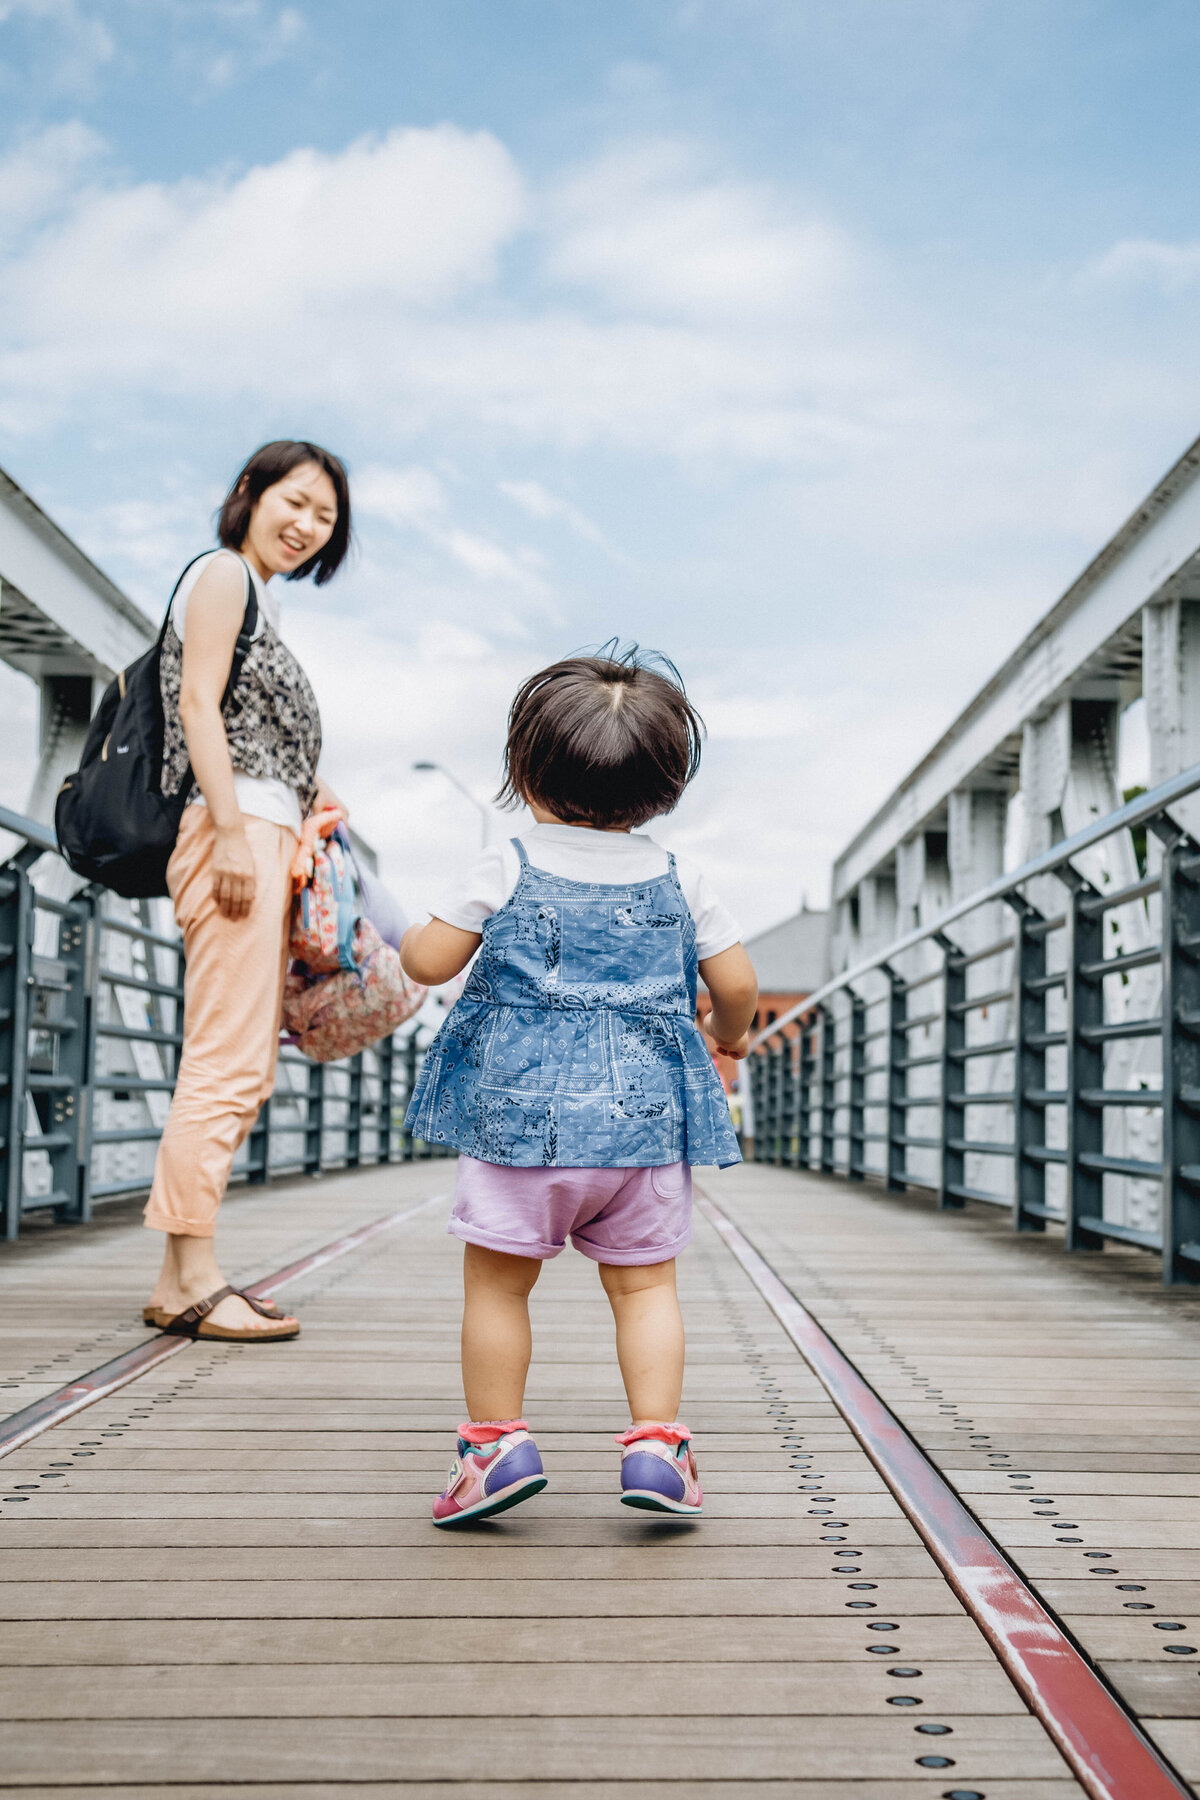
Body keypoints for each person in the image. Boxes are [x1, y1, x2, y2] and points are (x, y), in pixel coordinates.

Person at [400, 648, 758, 1525]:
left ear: (524, 770)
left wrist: (427, 936)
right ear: (668, 785)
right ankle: (658, 1452)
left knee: (497, 1288)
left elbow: (427, 960)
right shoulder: (683, 879)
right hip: (643, 1132)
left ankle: (495, 1451)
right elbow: (739, 986)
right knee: (645, 1290)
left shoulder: (506, 864)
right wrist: (726, 1038)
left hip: (522, 1129)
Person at [142, 440, 351, 1342]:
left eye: (326, 518)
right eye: (295, 502)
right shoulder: (224, 574)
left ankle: (181, 1273)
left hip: (262, 834)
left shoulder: (254, 593)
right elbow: (195, 704)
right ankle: (193, 1278)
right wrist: (231, 831)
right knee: (225, 1060)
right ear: (249, 494)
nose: (306, 526)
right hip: (232, 834)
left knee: (241, 1062)